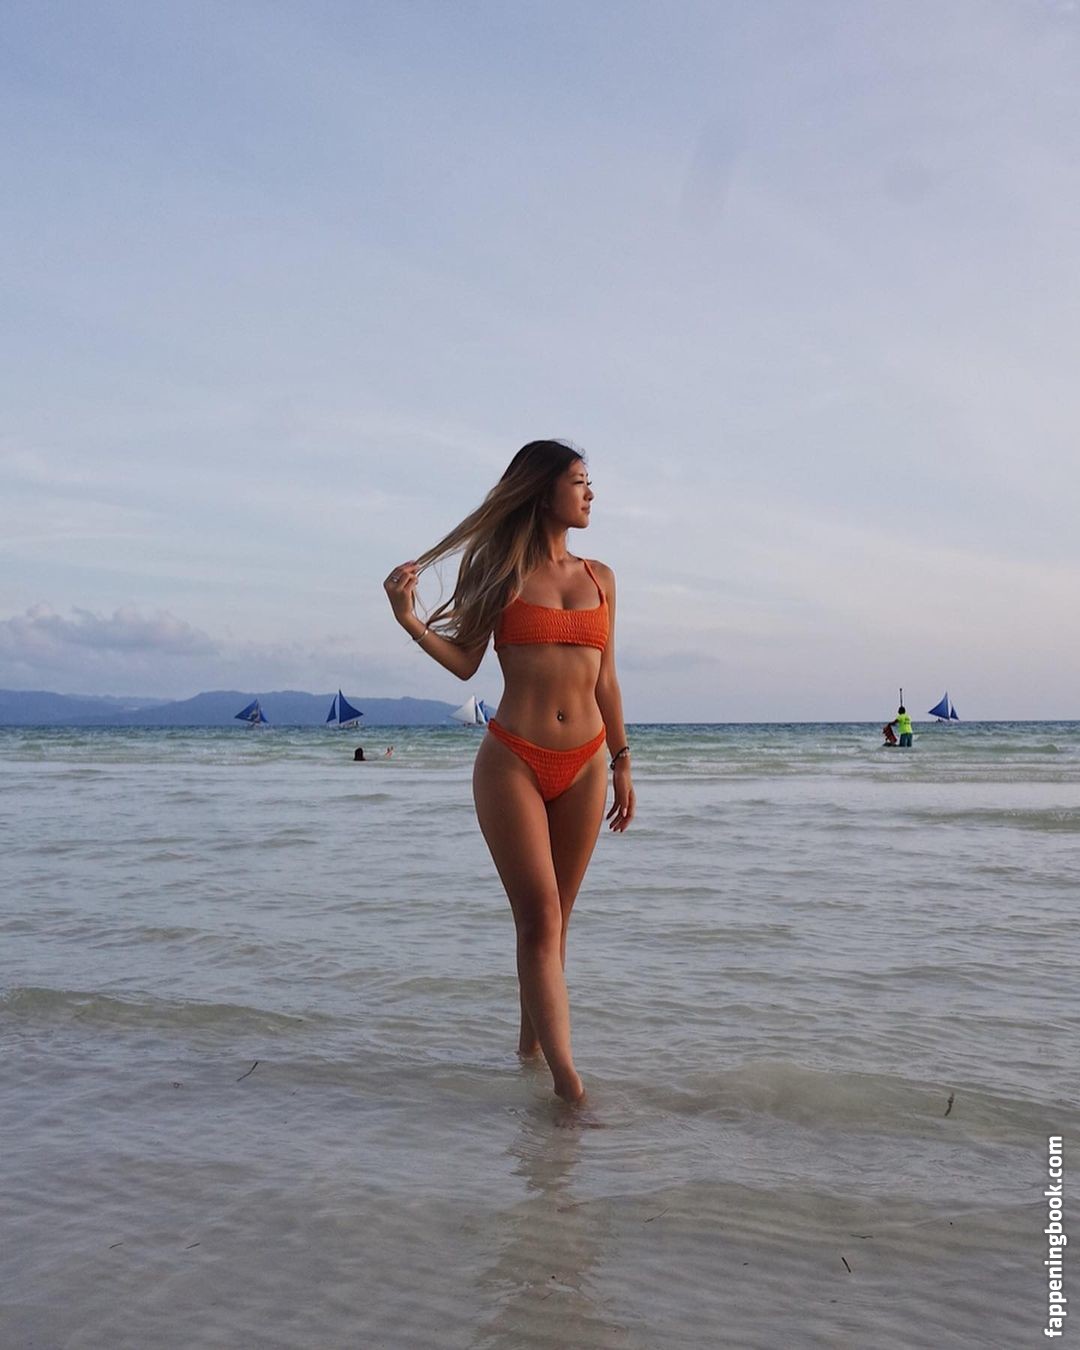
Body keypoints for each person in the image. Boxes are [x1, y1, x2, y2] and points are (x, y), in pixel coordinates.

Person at [384, 441, 634, 1108]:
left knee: (556, 925)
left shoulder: (602, 578)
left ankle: (529, 1056)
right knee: (540, 920)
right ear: (543, 490)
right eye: (579, 482)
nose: (591, 493)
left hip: (587, 764)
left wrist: (623, 760)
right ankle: (568, 1087)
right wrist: (409, 620)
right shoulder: (497, 570)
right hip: (514, 761)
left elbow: (606, 679)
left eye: (589, 482)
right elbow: (466, 662)